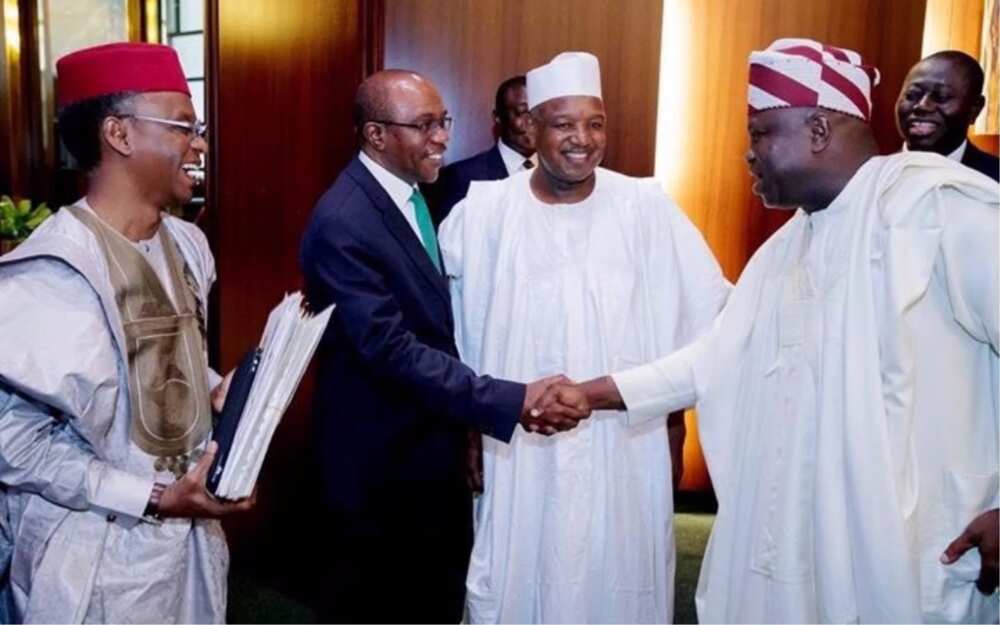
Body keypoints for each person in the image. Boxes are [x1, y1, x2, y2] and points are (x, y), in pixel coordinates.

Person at [552, 39, 999, 623]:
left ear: (817, 130)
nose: (749, 154)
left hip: (915, 543)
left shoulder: (937, 207)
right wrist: (591, 394)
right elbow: (714, 360)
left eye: (761, 133)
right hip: (804, 539)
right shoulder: (788, 246)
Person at [438, 52, 730, 624]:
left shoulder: (647, 206)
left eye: (594, 123)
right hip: (517, 443)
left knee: (618, 578)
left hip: (621, 443)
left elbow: (712, 316)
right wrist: (471, 427)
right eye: (564, 124)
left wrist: (668, 418)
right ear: (531, 127)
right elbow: (453, 332)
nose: (583, 139)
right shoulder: (485, 212)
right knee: (519, 577)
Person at [299, 69, 588, 624]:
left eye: (444, 121)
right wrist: (511, 398)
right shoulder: (344, 222)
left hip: (423, 453)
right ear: (376, 135)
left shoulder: (408, 197)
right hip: (379, 471)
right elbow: (392, 349)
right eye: (425, 124)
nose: (441, 137)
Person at [0, 42, 254, 623]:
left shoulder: (190, 245)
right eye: (183, 127)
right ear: (119, 134)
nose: (200, 145)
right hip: (92, 553)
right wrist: (155, 498)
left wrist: (212, 387)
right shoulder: (52, 272)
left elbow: (152, 362)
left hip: (189, 540)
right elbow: (16, 445)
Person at [429, 75, 536, 221]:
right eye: (522, 113)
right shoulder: (460, 178)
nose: (532, 122)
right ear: (497, 117)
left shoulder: (561, 175)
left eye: (538, 112)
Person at [896, 50, 999, 181]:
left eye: (942, 97)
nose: (922, 106)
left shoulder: (995, 180)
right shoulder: (872, 175)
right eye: (912, 95)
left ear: (975, 109)